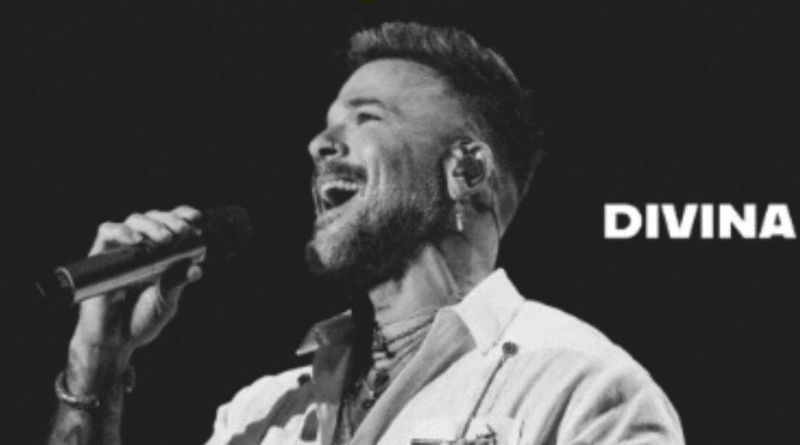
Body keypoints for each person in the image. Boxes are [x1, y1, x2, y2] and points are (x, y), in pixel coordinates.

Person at [48, 22, 684, 445]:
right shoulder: (261, 417)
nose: (319, 144)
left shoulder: (581, 388)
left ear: (466, 170)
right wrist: (97, 370)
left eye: (366, 117)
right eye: (329, 122)